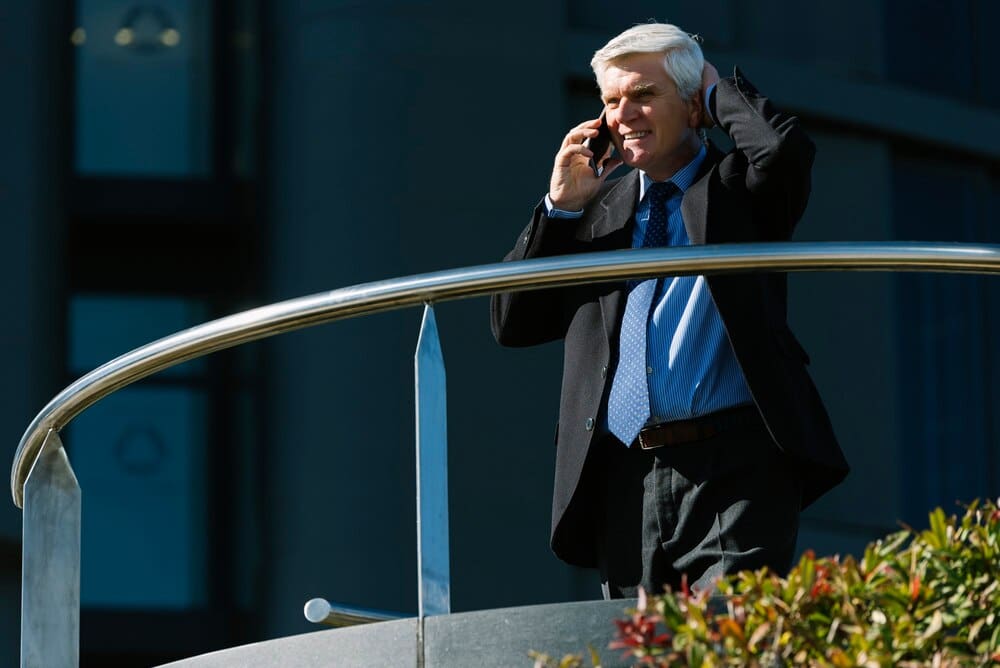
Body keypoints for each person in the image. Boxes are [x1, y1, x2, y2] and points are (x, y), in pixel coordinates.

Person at [490, 23, 849, 598]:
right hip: (620, 474)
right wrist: (558, 207)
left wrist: (717, 92)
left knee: (728, 647)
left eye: (644, 95)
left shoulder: (739, 188)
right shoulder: (594, 208)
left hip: (734, 466)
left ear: (689, 103)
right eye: (611, 101)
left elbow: (781, 151)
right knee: (641, 655)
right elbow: (512, 321)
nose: (624, 114)